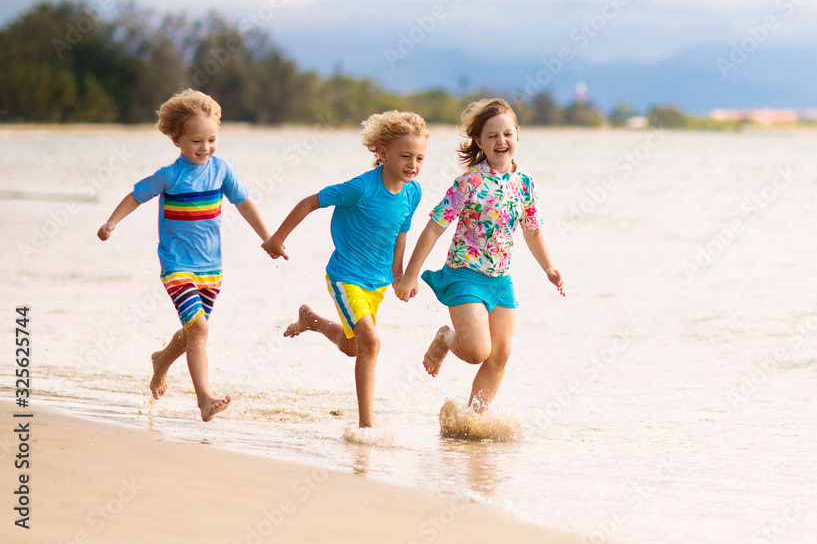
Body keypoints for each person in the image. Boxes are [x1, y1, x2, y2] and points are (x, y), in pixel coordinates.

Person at [97, 89, 276, 422]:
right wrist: (112, 222)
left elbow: (245, 205)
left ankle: (161, 361)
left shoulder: (222, 170)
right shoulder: (170, 176)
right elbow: (135, 196)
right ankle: (205, 399)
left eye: (211, 140)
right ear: (176, 139)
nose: (204, 148)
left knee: (196, 329)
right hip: (176, 265)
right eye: (196, 141)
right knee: (199, 329)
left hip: (213, 268)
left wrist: (269, 238)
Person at [395, 98, 564, 413]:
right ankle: (446, 338)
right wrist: (410, 274)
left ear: (517, 136)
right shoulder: (469, 182)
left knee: (500, 355)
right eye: (492, 135)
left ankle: (473, 419)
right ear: (479, 142)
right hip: (464, 275)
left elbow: (533, 231)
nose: (501, 141)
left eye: (508, 134)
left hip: (500, 280)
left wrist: (549, 268)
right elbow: (434, 227)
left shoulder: (525, 183)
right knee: (476, 351)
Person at [262, 111, 427, 429]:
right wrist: (278, 238)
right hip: (345, 276)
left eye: (420, 157)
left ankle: (313, 322)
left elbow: (401, 232)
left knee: (354, 347)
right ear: (382, 152)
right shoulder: (360, 188)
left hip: (376, 282)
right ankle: (367, 425)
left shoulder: (412, 193)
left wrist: (399, 275)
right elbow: (310, 202)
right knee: (372, 342)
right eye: (405, 156)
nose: (413, 164)